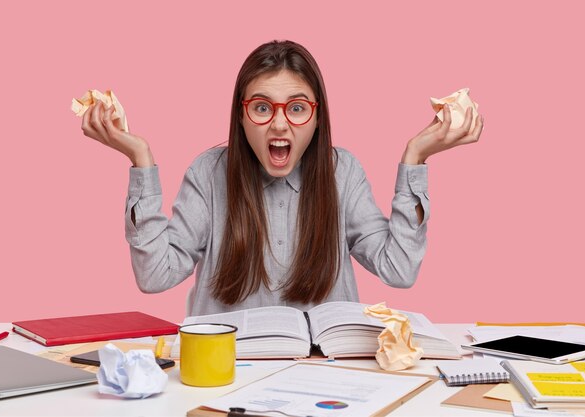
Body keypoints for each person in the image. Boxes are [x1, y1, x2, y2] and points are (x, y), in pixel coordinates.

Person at [80, 40, 483, 316]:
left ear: (317, 115)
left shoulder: (342, 172)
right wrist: (140, 160)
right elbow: (154, 276)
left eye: (295, 108)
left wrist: (416, 158)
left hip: (322, 371)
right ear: (241, 115)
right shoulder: (209, 174)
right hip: (227, 373)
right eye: (261, 108)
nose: (279, 125)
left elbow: (398, 270)